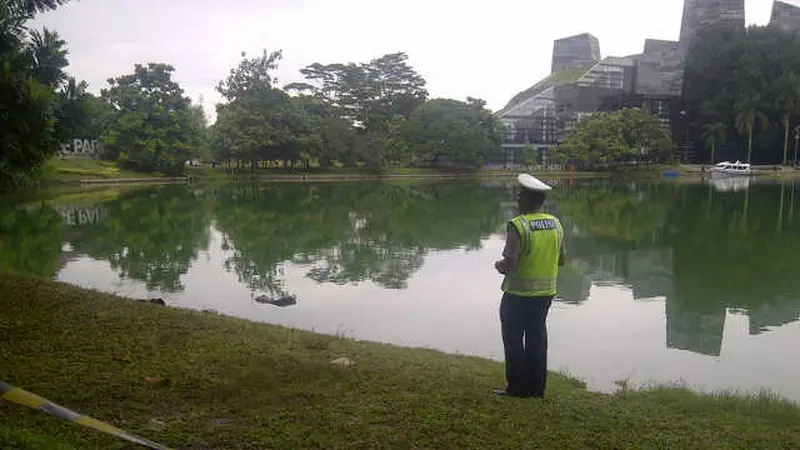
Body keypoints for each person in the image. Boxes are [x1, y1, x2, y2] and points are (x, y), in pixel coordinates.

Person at [493, 173, 565, 399]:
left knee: (513, 338)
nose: (517, 200)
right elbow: (562, 259)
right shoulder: (556, 223)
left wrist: (499, 265)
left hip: (518, 293)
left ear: (526, 199)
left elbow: (510, 264)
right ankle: (537, 389)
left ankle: (517, 387)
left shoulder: (518, 225)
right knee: (537, 337)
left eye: (520, 196)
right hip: (546, 292)